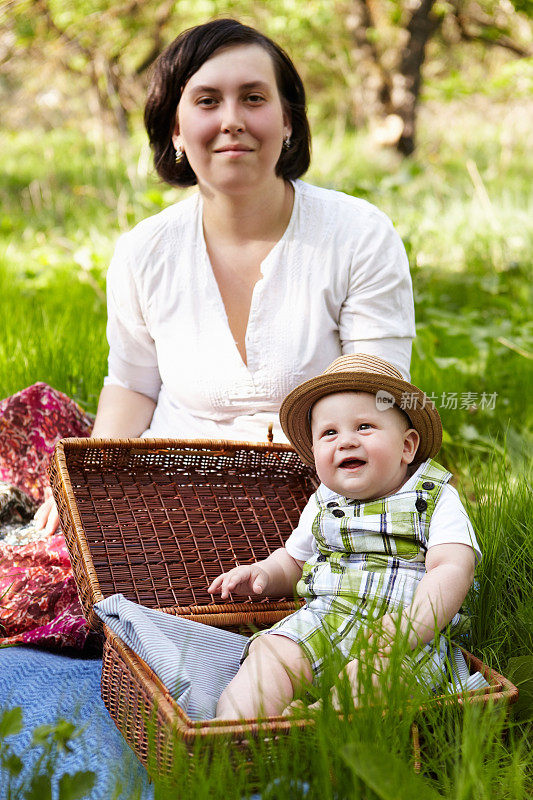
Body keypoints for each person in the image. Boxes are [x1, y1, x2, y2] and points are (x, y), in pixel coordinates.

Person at [1, 18, 414, 650]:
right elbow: (132, 386)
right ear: (174, 128)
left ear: (289, 121)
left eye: (254, 97)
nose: (232, 120)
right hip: (169, 495)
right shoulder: (144, 251)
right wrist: (84, 491)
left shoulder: (358, 235)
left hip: (317, 494)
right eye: (206, 100)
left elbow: (377, 394)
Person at [208, 354, 479, 719]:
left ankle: (315, 725)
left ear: (407, 446)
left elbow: (452, 568)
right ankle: (235, 731)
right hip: (324, 617)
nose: (346, 441)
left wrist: (412, 626)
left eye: (365, 426)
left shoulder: (433, 495)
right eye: (329, 432)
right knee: (271, 654)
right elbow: (294, 561)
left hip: (403, 635)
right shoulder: (324, 499)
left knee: (376, 680)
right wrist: (264, 575)